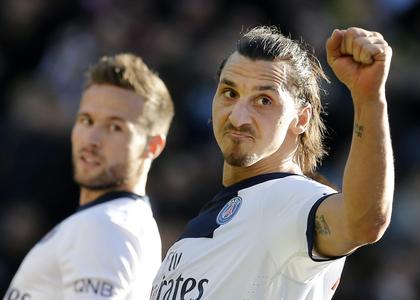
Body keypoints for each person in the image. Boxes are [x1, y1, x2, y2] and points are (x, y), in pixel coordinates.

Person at [150, 26, 394, 300]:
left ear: (301, 119)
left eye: (264, 100)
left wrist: (369, 98)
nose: (238, 117)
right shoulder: (205, 221)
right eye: (229, 93)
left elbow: (364, 222)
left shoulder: (292, 200)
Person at [4, 53, 174, 300]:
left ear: (153, 146)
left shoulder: (107, 226)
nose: (91, 139)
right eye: (86, 120)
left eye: (115, 127)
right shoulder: (122, 223)